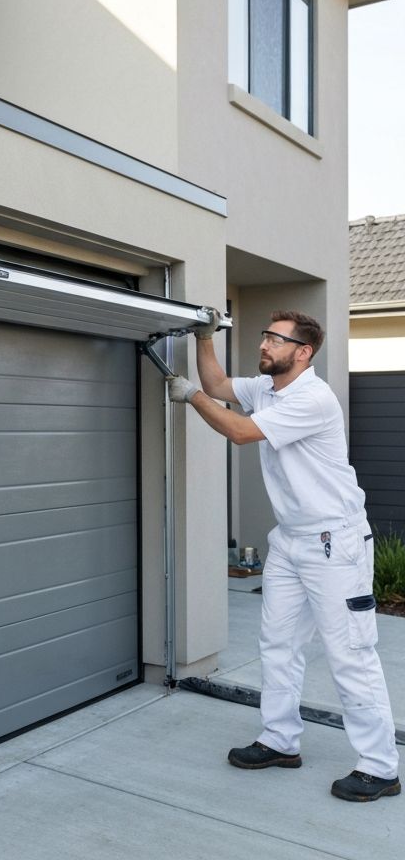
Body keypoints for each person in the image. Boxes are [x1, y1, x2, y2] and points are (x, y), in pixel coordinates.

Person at [167, 308, 399, 802]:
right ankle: (279, 740)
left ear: (303, 352)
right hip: (290, 540)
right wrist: (205, 339)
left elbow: (239, 432)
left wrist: (191, 397)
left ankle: (380, 767)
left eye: (275, 339)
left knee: (350, 653)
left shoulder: (313, 398)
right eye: (264, 337)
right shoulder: (267, 389)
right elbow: (219, 384)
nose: (264, 345)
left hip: (334, 544)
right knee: (277, 644)